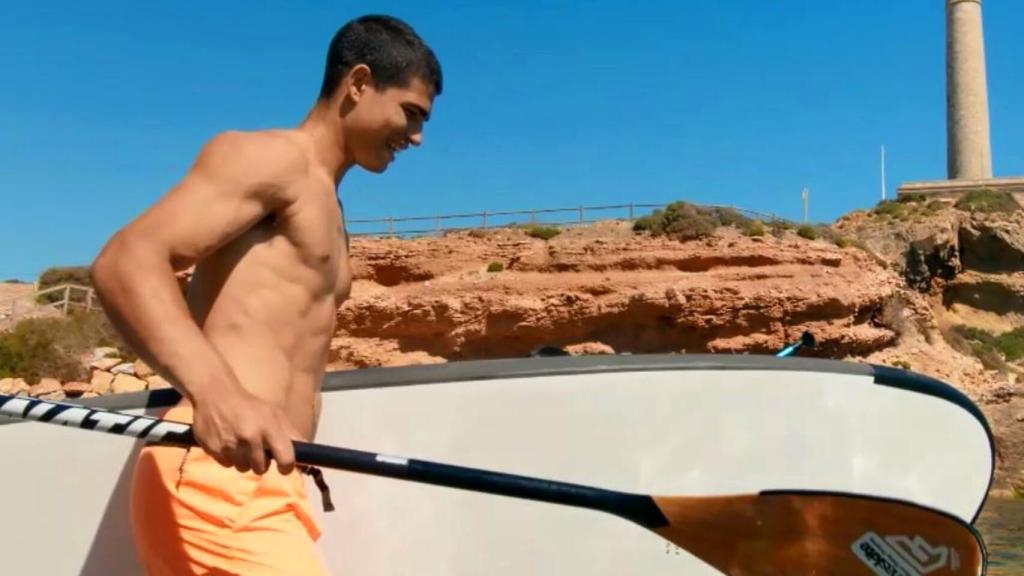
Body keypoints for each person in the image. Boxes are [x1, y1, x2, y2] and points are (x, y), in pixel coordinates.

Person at [90, 14, 442, 575]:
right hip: (216, 480)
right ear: (358, 83)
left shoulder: (328, 204)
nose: (417, 136)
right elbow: (126, 261)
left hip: (268, 484)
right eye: (411, 112)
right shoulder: (274, 159)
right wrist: (216, 392)